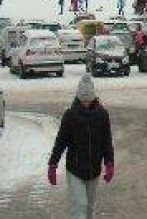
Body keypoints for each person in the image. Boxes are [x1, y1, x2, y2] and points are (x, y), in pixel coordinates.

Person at [48, 74, 115, 219]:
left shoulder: (102, 115)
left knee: (89, 209)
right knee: (80, 206)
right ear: (78, 98)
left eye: (88, 101)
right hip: (75, 169)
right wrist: (53, 164)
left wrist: (109, 163)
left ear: (93, 98)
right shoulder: (70, 115)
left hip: (94, 169)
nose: (85, 104)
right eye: (83, 101)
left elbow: (107, 141)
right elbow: (61, 141)